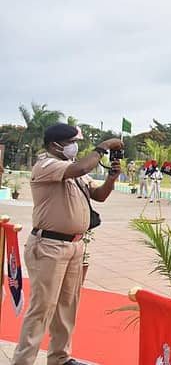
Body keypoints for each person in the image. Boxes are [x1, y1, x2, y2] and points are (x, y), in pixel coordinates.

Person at [12, 124, 124, 365]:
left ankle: (60, 358)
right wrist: (103, 147)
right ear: (56, 145)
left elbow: (99, 195)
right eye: (72, 141)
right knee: (42, 309)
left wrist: (112, 178)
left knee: (67, 307)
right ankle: (23, 361)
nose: (76, 146)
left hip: (74, 246)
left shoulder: (76, 171)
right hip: (49, 245)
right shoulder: (47, 165)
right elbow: (82, 165)